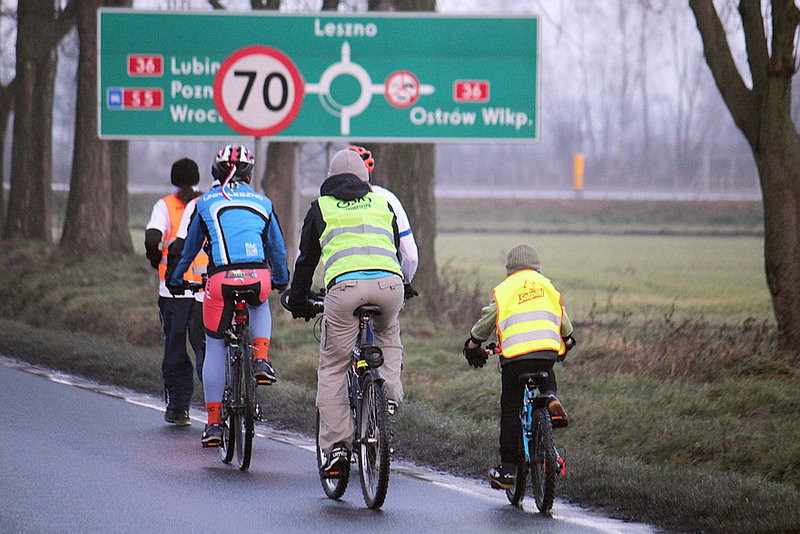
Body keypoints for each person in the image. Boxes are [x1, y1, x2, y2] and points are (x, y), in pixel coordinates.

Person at [286, 148, 409, 476]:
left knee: (334, 366)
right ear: (365, 178)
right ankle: (388, 395)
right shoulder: (383, 203)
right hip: (389, 287)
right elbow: (395, 250)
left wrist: (297, 300)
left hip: (344, 290)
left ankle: (338, 446)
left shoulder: (320, 208)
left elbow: (306, 260)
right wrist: (401, 286)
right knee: (387, 334)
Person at [167, 145, 289, 447]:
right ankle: (261, 359)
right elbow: (276, 248)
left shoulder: (206, 202)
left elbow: (191, 246)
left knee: (215, 344)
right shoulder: (263, 202)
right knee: (261, 300)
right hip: (258, 276)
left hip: (220, 280)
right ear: (249, 174)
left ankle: (213, 423)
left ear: (214, 172)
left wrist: (176, 278)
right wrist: (282, 280)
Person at [463, 243, 576, 490]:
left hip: (515, 358)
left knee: (511, 409)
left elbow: (486, 322)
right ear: (537, 266)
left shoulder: (505, 290)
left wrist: (473, 345)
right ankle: (550, 399)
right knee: (547, 379)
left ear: (509, 268)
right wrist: (567, 340)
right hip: (547, 352)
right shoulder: (547, 286)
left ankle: (508, 470)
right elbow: (563, 320)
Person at [144, 158, 208, 427]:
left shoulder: (165, 206)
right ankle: (221, 407)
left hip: (174, 291)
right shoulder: (207, 202)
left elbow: (151, 238)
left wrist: (155, 257)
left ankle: (179, 408)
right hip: (206, 291)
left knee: (175, 350)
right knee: (207, 349)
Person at [345, 145, 419, 297]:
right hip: (386, 284)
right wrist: (405, 283)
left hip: (344, 285)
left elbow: (305, 255)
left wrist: (299, 291)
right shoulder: (388, 198)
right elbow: (411, 257)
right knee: (388, 319)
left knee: (334, 319)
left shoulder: (324, 203)